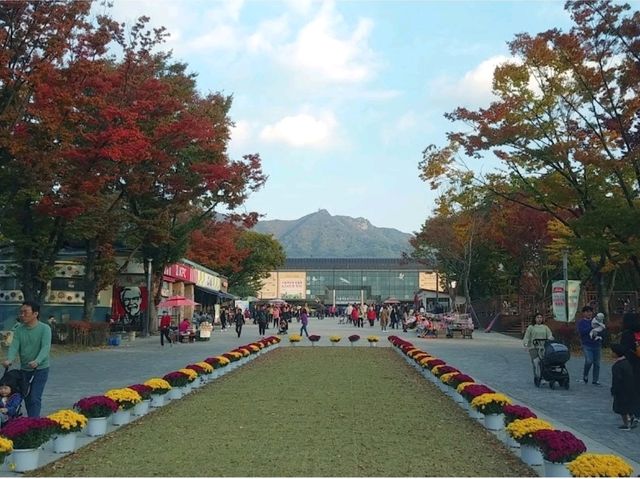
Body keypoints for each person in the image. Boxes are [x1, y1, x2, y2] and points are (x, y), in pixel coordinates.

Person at [2, 301, 51, 417]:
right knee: (26, 396)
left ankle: (35, 425)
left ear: (35, 314)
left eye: (25, 312)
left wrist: (37, 361)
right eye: (21, 312)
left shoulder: (45, 328)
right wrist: (9, 359)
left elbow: (45, 347)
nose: (22, 314)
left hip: (41, 368)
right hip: (24, 369)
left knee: (34, 397)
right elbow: (14, 345)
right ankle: (30, 423)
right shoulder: (19, 329)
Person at [619, 312, 640, 425]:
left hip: (631, 365)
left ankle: (634, 413)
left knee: (632, 390)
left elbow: (624, 349)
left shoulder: (626, 334)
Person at [611, 343, 637, 430]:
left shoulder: (617, 366)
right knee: (629, 406)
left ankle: (626, 424)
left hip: (621, 390)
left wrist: (613, 390)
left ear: (616, 353)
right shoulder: (627, 363)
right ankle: (632, 417)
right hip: (630, 388)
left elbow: (616, 380)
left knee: (622, 408)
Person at [522, 313, 554, 384]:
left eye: (540, 317)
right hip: (533, 348)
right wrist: (526, 344)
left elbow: (550, 335)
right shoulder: (531, 327)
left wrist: (550, 338)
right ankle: (537, 376)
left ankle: (544, 377)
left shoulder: (545, 327)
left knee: (543, 363)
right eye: (538, 317)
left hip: (543, 348)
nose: (539, 319)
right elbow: (526, 337)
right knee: (536, 362)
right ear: (535, 319)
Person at [577, 305, 602, 385]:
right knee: (589, 361)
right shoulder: (581, 322)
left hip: (597, 344)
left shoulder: (596, 321)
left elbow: (601, 330)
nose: (589, 313)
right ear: (583, 313)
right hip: (587, 345)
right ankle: (585, 375)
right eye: (587, 312)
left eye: (590, 312)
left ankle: (595, 380)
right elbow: (582, 332)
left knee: (597, 363)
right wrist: (591, 327)